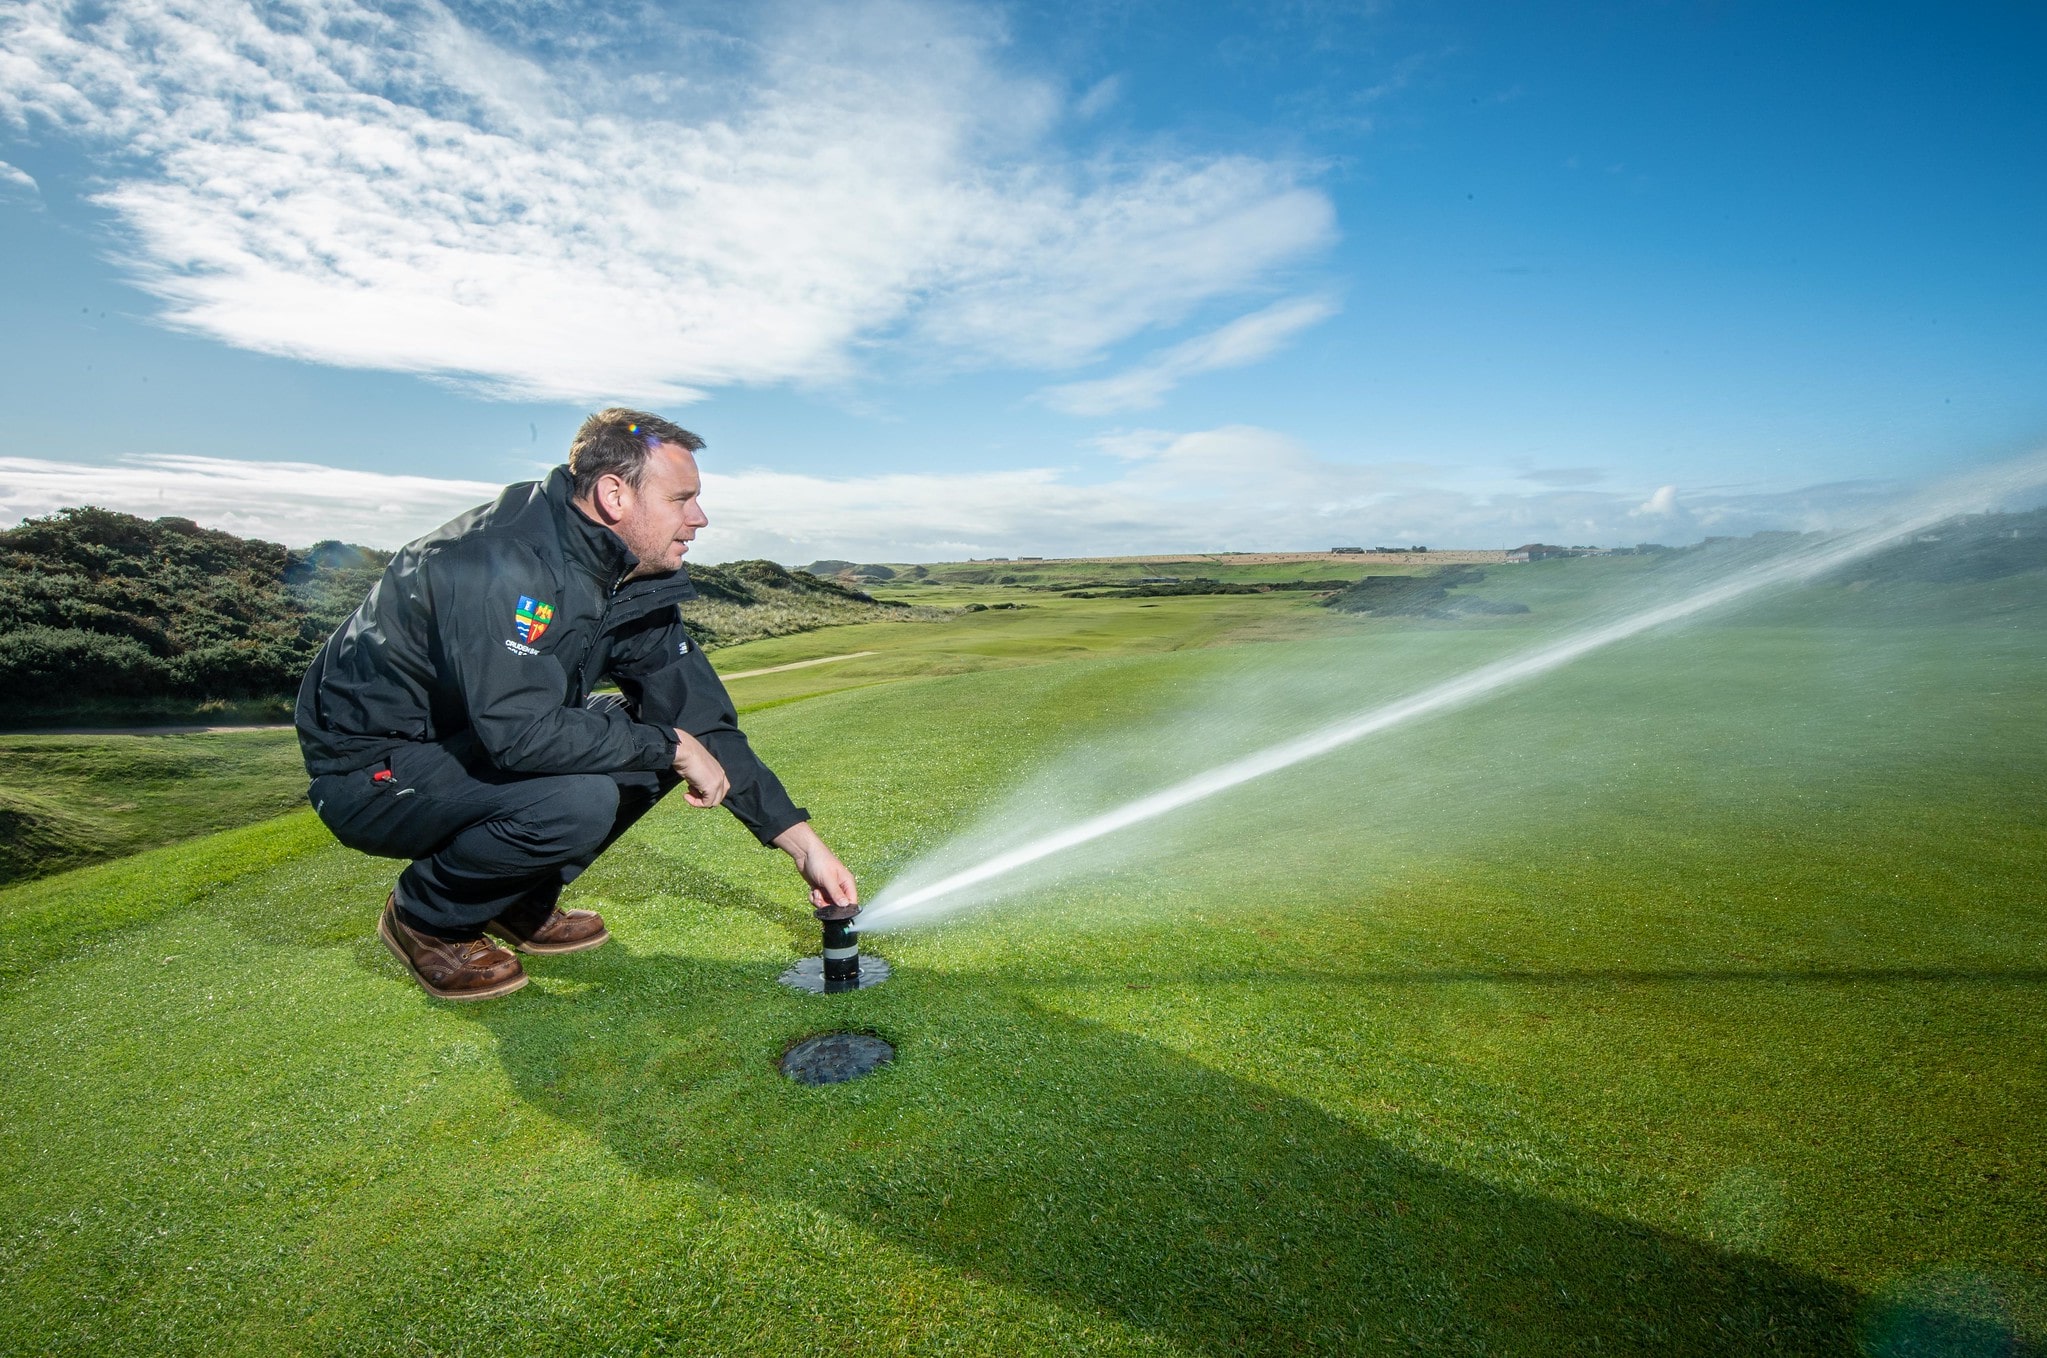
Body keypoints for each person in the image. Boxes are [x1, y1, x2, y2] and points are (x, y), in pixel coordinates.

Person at [296, 408, 857, 1000]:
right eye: (681, 499)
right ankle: (427, 918)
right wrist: (669, 745)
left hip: (479, 744)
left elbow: (698, 720)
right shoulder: (499, 560)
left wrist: (803, 847)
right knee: (582, 795)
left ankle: (515, 900)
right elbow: (520, 733)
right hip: (375, 771)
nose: (700, 518)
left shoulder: (631, 577)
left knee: (657, 738)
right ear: (615, 494)